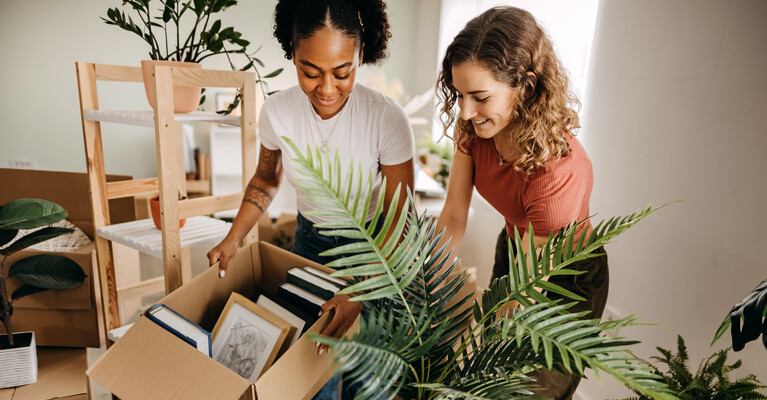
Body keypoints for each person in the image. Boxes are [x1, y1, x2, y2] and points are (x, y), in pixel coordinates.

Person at [207, 0, 414, 398]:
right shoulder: (278, 112)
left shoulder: (386, 119)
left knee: (366, 380)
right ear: (291, 51)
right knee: (310, 371)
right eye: (310, 72)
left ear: (361, 54)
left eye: (342, 72)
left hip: (376, 252)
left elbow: (399, 222)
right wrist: (233, 237)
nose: (326, 89)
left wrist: (360, 290)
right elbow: (266, 179)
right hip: (310, 244)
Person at [434, 6, 608, 399]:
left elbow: (521, 295)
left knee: (522, 390)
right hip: (514, 247)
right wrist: (428, 286)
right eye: (459, 95)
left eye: (479, 97)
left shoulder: (558, 172)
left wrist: (461, 360)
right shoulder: (473, 129)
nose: (465, 111)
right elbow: (454, 217)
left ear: (525, 87)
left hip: (568, 277)